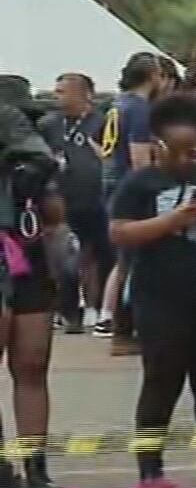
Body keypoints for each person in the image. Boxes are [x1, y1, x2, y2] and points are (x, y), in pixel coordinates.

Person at [109, 94, 196, 488]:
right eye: (179, 152)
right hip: (159, 298)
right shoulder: (139, 183)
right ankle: (150, 472)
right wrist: (169, 221)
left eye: (193, 150)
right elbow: (120, 232)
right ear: (159, 145)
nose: (187, 159)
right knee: (161, 382)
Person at [0, 85, 60, 488]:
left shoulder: (38, 160)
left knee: (33, 360)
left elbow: (56, 213)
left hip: (28, 252)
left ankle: (35, 466)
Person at [99, 52, 167, 352]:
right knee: (134, 259)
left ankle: (114, 320)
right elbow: (139, 159)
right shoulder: (139, 108)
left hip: (109, 182)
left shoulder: (116, 104)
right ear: (153, 76)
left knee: (123, 259)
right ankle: (125, 327)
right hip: (129, 187)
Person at [41, 72, 110, 334]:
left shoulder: (102, 123)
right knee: (67, 258)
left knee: (99, 256)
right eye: (56, 91)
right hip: (63, 200)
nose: (57, 96)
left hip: (96, 199)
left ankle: (96, 308)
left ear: (84, 94)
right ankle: (68, 311)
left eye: (62, 91)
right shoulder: (49, 125)